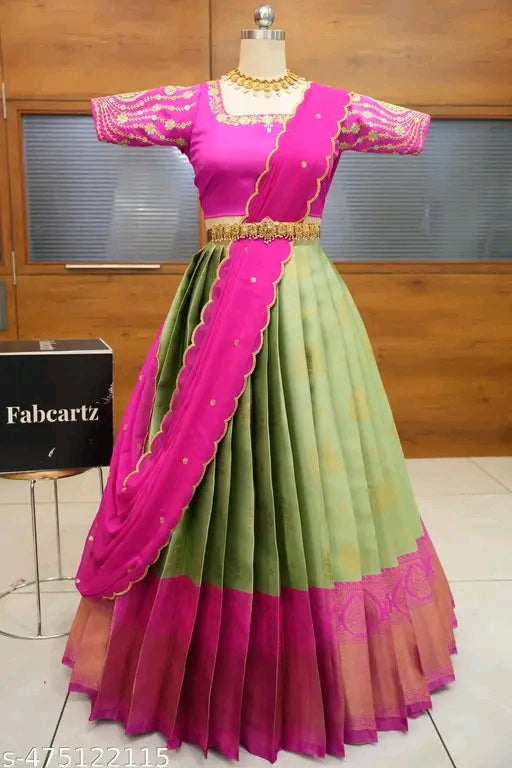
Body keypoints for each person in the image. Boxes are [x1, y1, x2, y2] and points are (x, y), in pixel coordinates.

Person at [63, 19, 456, 764]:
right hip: (214, 310)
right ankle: (187, 651)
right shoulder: (190, 105)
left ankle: (320, 658)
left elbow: (411, 130)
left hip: (305, 308)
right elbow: (109, 116)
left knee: (313, 461)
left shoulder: (338, 108)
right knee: (198, 469)